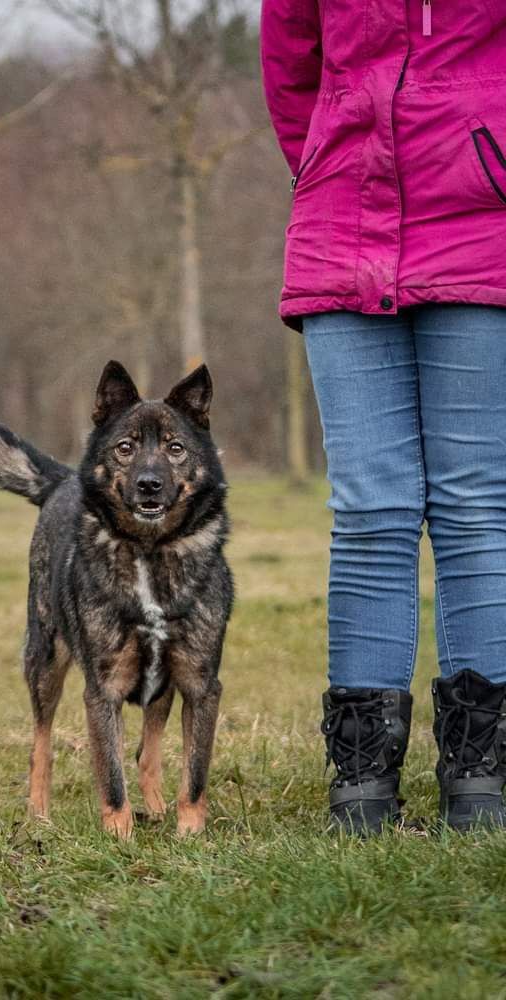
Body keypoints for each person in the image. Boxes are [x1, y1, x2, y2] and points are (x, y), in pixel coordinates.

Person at [260, 1, 506, 834]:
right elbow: (292, 73)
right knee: (369, 508)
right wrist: (335, 162)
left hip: (484, 224)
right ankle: (361, 781)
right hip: (342, 225)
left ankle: (480, 778)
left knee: (476, 506)